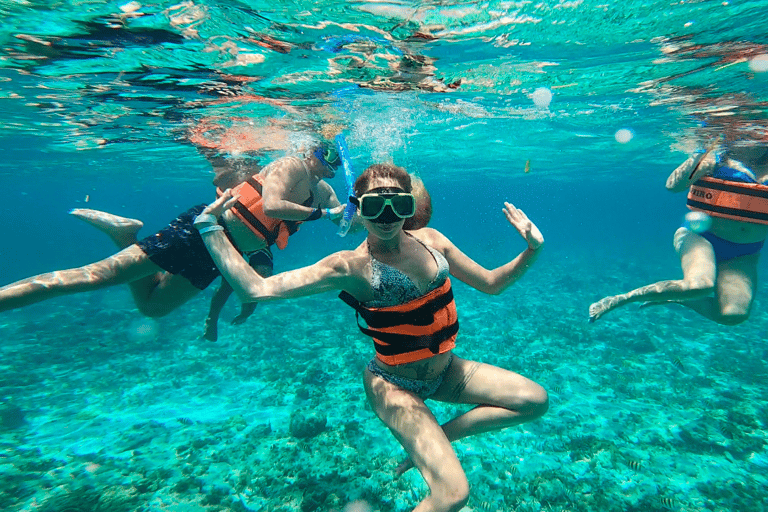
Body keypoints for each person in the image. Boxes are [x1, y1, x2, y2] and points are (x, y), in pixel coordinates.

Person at [196, 163, 548, 512]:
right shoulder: (350, 266)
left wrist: (532, 249)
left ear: (410, 205)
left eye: (399, 204)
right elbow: (255, 288)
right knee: (453, 493)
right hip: (393, 384)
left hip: (448, 371)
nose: (387, 215)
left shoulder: (433, 241)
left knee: (534, 401)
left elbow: (492, 283)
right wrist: (210, 227)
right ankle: (430, 448)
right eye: (375, 206)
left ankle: (438, 438)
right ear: (358, 209)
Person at [0, 143, 347, 325]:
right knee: (91, 278)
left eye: (333, 157)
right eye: (322, 151)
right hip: (202, 231)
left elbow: (348, 222)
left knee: (154, 308)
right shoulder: (290, 166)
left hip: (221, 253)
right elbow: (271, 206)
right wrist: (324, 214)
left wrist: (371, 204)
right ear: (310, 149)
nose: (325, 160)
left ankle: (125, 234)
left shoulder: (323, 193)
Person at [589, 142, 768, 325]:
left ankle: (681, 298)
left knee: (733, 314)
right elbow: (673, 186)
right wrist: (701, 155)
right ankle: (621, 299)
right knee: (699, 286)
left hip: (745, 253)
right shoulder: (716, 160)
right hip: (701, 236)